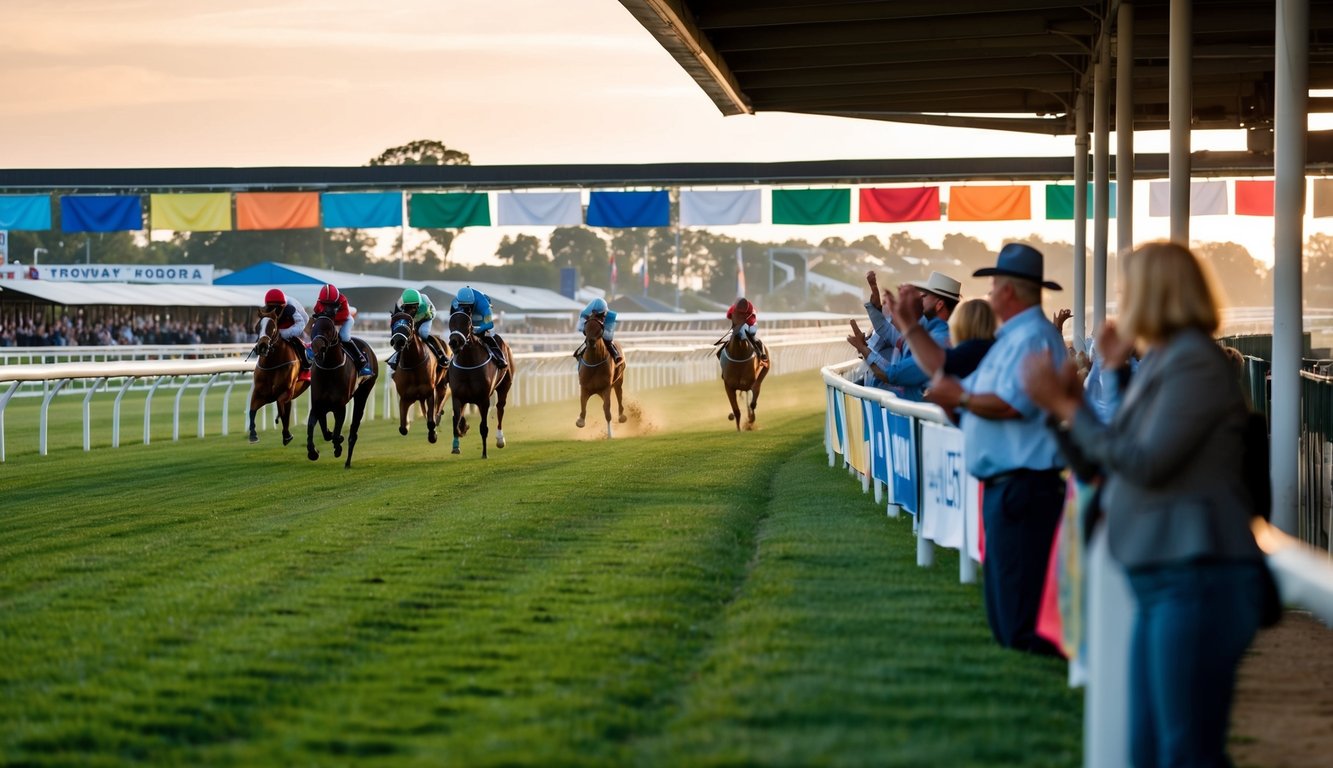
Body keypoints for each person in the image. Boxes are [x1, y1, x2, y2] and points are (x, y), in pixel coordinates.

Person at [1022, 241, 1266, 768]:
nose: (1124, 301)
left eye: (1131, 289)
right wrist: (1059, 412)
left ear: (1157, 295)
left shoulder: (1196, 364)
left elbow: (1145, 462)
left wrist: (1069, 406)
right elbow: (1103, 466)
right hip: (1164, 577)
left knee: (1183, 750)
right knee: (1149, 747)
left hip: (1197, 576)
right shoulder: (1164, 362)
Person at [914, 242, 1068, 654]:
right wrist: (957, 400)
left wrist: (959, 398)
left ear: (1009, 292)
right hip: (1009, 487)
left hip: (1023, 488)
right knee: (1007, 620)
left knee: (1019, 625)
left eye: (995, 284)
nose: (990, 293)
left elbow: (1011, 405)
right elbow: (984, 399)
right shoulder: (1013, 338)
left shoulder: (1031, 338)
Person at [846, 271, 960, 400]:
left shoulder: (938, 339)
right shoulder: (927, 330)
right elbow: (888, 331)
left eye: (925, 296)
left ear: (939, 305)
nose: (920, 298)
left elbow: (893, 374)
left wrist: (864, 349)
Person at [309, 283, 372, 376]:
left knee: (344, 336)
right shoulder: (320, 301)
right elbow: (316, 310)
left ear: (336, 301)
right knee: (316, 327)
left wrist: (329, 321)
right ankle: (310, 349)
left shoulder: (342, 300)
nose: (327, 306)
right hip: (329, 318)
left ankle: (361, 362)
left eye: (330, 305)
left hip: (345, 318)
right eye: (325, 304)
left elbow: (342, 316)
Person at [387, 288, 447, 371]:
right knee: (404, 336)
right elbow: (396, 318)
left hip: (424, 319)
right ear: (404, 305)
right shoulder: (400, 303)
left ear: (419, 304)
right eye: (408, 307)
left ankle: (441, 355)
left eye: (414, 307)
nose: (411, 309)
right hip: (409, 320)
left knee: (423, 334)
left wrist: (428, 317)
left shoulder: (425, 300)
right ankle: (396, 358)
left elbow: (434, 312)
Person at [451, 286, 507, 368]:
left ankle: (499, 357)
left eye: (469, 305)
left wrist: (476, 329)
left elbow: (489, 324)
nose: (466, 308)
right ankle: (449, 360)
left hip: (481, 320)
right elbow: (453, 320)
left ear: (473, 302)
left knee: (489, 336)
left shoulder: (484, 304)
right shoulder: (455, 303)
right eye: (462, 305)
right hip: (467, 319)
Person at [260, 288, 311, 376]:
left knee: (292, 340)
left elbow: (301, 323)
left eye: (277, 308)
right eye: (271, 307)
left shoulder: (289, 308)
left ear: (282, 306)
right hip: (280, 320)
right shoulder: (266, 308)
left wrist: (284, 333)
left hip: (299, 320)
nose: (274, 310)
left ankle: (305, 362)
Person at [574, 296, 621, 363]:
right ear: (592, 311)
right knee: (588, 340)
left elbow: (609, 336)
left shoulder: (609, 316)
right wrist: (589, 331)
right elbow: (579, 328)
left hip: (604, 333)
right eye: (596, 314)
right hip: (591, 334)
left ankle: (616, 355)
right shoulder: (585, 314)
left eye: (601, 314)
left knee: (608, 341)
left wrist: (599, 331)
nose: (599, 317)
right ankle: (579, 353)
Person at [724, 297, 767, 362]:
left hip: (752, 324)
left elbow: (754, 313)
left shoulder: (750, 307)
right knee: (730, 337)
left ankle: (762, 354)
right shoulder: (732, 308)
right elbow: (728, 316)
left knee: (752, 335)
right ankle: (722, 353)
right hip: (741, 325)